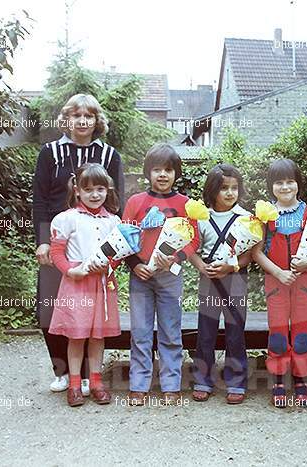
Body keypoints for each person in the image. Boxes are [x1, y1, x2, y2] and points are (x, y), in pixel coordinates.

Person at [33, 94, 124, 394]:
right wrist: (43, 241)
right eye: (76, 115)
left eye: (89, 116)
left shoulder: (109, 155)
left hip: (93, 244)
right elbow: (40, 199)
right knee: (51, 307)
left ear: (97, 121)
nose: (83, 121)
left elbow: (116, 203)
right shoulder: (50, 152)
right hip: (57, 241)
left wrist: (109, 251)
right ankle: (62, 371)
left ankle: (88, 376)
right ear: (67, 119)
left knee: (93, 309)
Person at [122, 144, 199, 406]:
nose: (162, 175)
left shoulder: (186, 204)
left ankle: (171, 384)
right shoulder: (135, 202)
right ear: (148, 173)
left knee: (170, 330)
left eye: (168, 170)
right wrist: (134, 264)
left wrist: (176, 258)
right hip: (140, 276)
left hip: (170, 277)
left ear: (176, 173)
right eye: (157, 170)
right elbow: (124, 238)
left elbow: (193, 240)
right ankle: (139, 384)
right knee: (141, 331)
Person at [48, 163, 122, 406]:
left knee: (98, 336)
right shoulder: (66, 219)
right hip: (77, 283)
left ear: (107, 190)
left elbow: (118, 254)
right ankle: (75, 384)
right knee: (77, 335)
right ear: (77, 190)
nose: (95, 194)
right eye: (88, 189)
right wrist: (72, 270)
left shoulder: (113, 221)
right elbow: (57, 253)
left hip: (102, 282)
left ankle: (97, 382)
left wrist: (109, 266)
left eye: (100, 189)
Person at [252, 159, 307, 408]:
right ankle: (278, 379)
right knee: (278, 332)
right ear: (271, 186)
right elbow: (256, 252)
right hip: (275, 281)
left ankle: (301, 379)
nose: (285, 187)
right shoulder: (264, 214)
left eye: (290, 181)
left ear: (298, 183)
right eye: (279, 182)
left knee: (303, 332)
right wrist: (279, 273)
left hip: (304, 281)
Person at [190, 164, 251, 404]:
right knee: (206, 331)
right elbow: (191, 248)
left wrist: (231, 266)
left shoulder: (246, 218)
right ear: (212, 190)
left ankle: (236, 381)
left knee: (235, 331)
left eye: (234, 188)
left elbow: (251, 253)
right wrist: (200, 266)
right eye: (224, 188)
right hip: (208, 279)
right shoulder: (201, 217)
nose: (229, 193)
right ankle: (203, 379)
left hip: (235, 278)